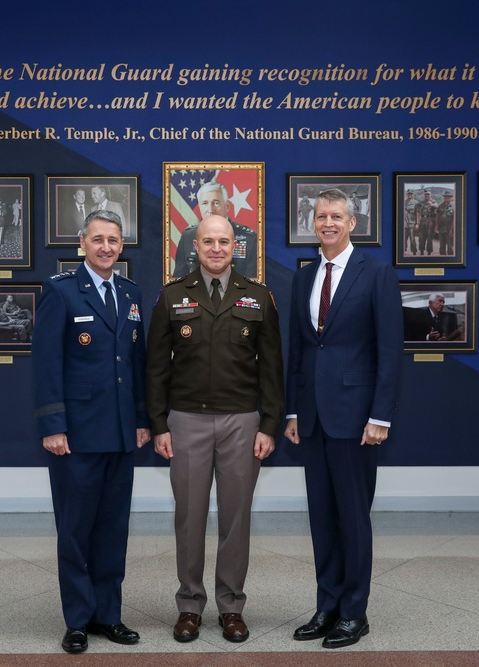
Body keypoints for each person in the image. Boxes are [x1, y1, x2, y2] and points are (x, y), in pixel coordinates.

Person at [147, 214, 284, 645]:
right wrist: (158, 424)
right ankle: (189, 605)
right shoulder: (171, 297)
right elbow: (154, 370)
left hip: (242, 422)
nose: (217, 249)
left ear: (235, 247)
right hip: (185, 421)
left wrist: (270, 424)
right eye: (208, 241)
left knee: (235, 519)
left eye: (224, 241)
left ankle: (231, 607)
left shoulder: (258, 297)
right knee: (188, 518)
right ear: (196, 246)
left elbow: (273, 371)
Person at [284, 188, 403, 649]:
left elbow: (390, 352)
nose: (328, 223)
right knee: (321, 517)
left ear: (353, 223)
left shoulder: (376, 273)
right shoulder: (305, 276)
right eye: (320, 216)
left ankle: (355, 612)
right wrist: (293, 410)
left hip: (357, 421)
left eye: (336, 216)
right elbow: (300, 349)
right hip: (312, 418)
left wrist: (381, 416)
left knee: (353, 517)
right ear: (312, 223)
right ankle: (327, 605)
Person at [31, 210, 150, 654]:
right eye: (97, 239)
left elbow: (136, 368)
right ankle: (78, 619)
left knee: (113, 529)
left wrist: (142, 421)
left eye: (113, 240)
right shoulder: (61, 292)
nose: (106, 247)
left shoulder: (131, 294)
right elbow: (46, 366)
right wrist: (53, 425)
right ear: (82, 243)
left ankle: (108, 615)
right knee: (76, 529)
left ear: (122, 246)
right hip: (76, 436)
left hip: (121, 434)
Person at [174, 181, 258, 278]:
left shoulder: (249, 238)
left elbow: (253, 285)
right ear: (200, 207)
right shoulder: (188, 235)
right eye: (205, 203)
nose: (210, 209)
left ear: (227, 206)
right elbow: (178, 280)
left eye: (216, 203)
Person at [415, 189, 437, 255]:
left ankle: (429, 252)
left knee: (430, 237)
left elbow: (437, 206)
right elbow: (418, 213)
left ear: (430, 195)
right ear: (424, 195)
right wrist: (417, 223)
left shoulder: (433, 201)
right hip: (422, 221)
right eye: (426, 194)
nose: (427, 195)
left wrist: (432, 205)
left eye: (428, 194)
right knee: (421, 237)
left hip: (430, 220)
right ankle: (421, 251)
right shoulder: (420, 203)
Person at [435, 191, 455, 255]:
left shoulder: (453, 206)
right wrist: (436, 226)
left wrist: (452, 229)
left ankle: (450, 261)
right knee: (442, 245)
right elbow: (437, 216)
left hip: (449, 228)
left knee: (450, 246)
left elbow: (454, 219)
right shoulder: (440, 206)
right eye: (446, 196)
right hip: (441, 228)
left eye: (448, 196)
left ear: (450, 197)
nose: (447, 198)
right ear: (444, 197)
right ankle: (442, 259)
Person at [403, 189, 418, 255]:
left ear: (412, 195)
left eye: (411, 194)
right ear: (406, 194)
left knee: (412, 239)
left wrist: (417, 223)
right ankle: (403, 251)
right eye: (408, 194)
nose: (410, 195)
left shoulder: (415, 203)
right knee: (404, 239)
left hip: (412, 223)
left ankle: (414, 252)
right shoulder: (403, 202)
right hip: (404, 224)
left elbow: (417, 214)